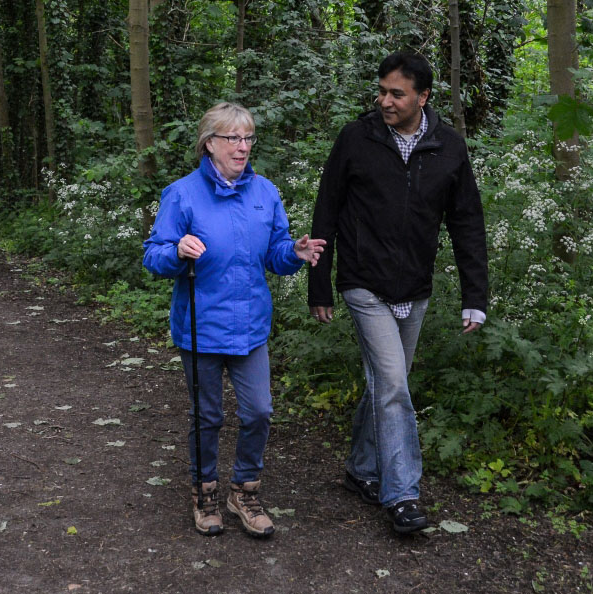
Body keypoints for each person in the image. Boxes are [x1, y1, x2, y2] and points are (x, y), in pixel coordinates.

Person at [307, 51, 488, 535]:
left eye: (396, 93)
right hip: (364, 284)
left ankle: (360, 470)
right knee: (393, 386)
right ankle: (403, 494)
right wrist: (319, 282)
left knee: (387, 385)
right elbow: (327, 209)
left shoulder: (449, 147)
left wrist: (476, 296)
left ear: (423, 97)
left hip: (415, 289)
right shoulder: (356, 138)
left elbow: (468, 223)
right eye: (382, 91)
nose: (384, 100)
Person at [143, 102, 325, 538]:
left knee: (259, 411)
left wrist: (294, 253)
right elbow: (154, 255)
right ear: (210, 144)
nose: (243, 147)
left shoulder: (265, 192)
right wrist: (176, 251)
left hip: (250, 327)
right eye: (233, 139)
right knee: (207, 416)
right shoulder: (182, 194)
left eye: (248, 139)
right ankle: (204, 492)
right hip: (201, 328)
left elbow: (275, 254)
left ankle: (243, 491)